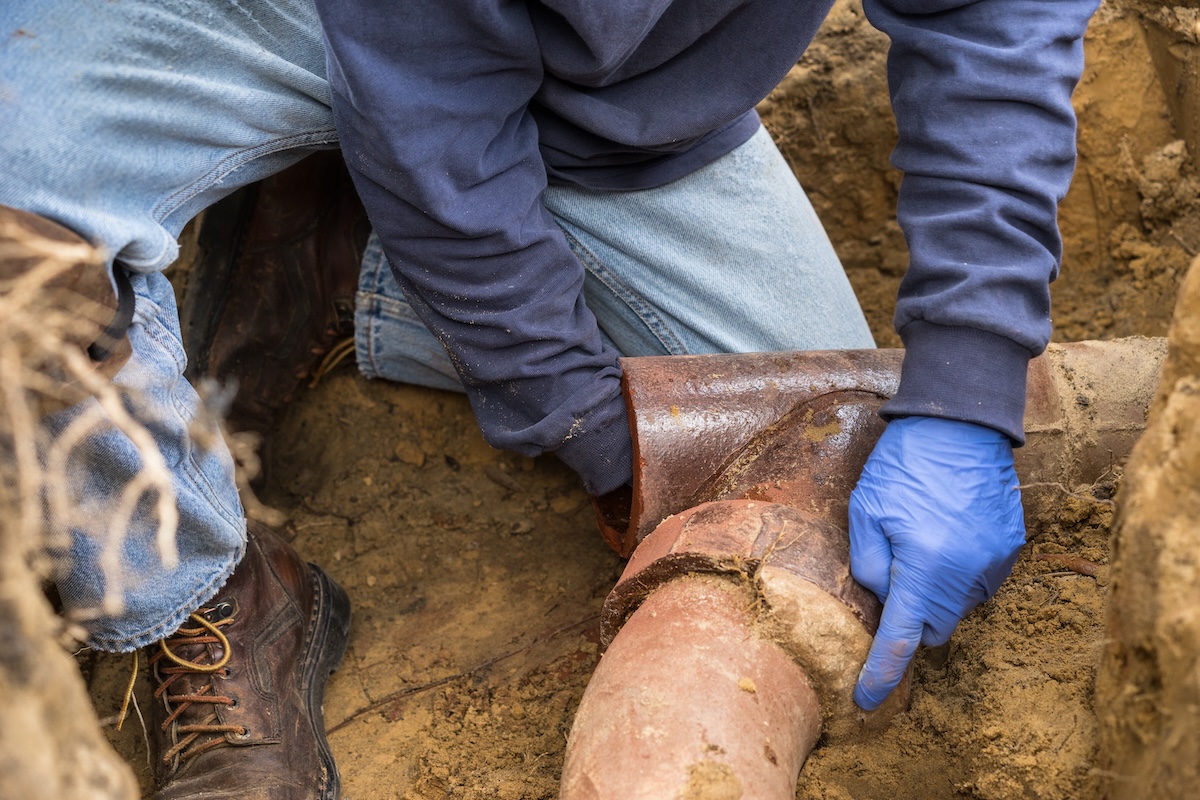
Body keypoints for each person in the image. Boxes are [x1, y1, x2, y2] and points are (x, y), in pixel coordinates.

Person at [0, 0, 1099, 796]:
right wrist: (596, 434)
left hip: (606, 93)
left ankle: (341, 257)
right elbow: (441, 146)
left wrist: (968, 383)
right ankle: (206, 590)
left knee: (807, 451)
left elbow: (996, 19)